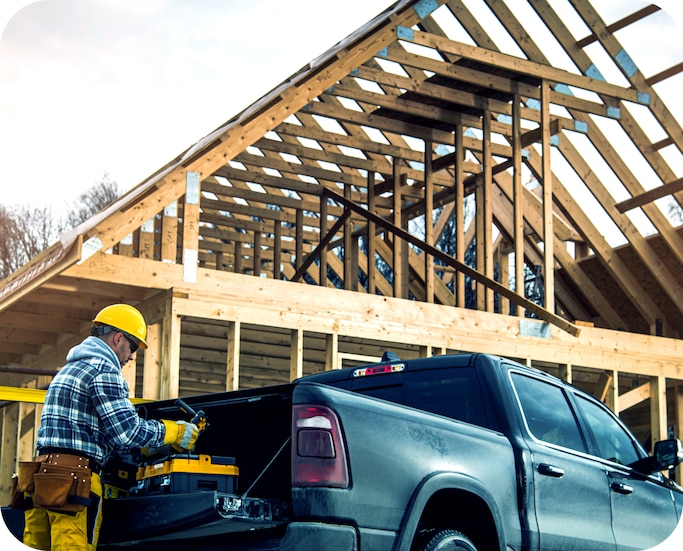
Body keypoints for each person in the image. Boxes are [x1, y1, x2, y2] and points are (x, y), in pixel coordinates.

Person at [21, 303, 198, 550]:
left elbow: (95, 433)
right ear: (117, 338)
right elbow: (127, 433)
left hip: (41, 478)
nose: (133, 355)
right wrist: (173, 432)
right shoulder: (104, 370)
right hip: (74, 482)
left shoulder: (68, 370)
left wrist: (141, 448)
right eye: (133, 346)